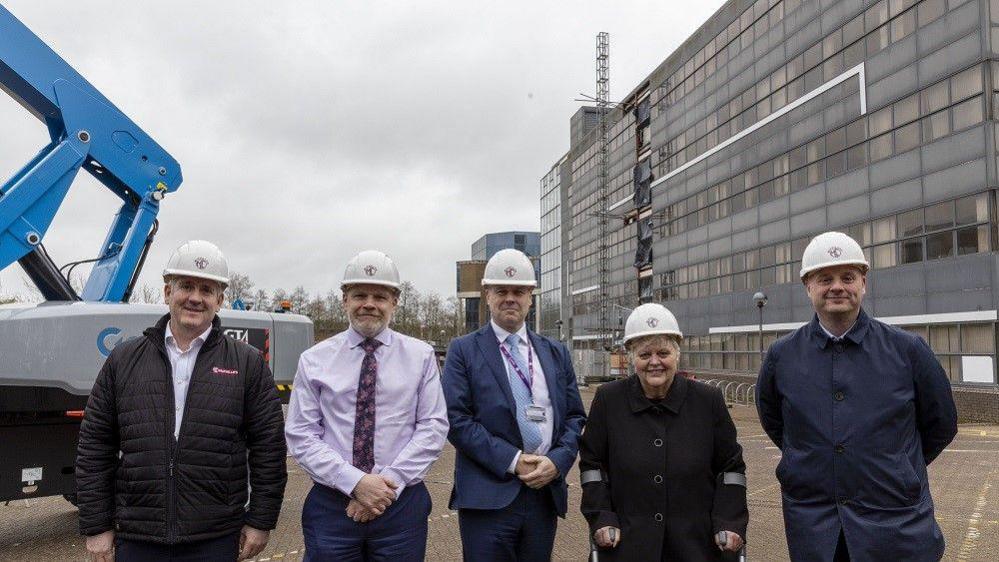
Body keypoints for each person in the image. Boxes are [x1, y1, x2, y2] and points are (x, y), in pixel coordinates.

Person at [76, 240, 287, 562]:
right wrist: (96, 525)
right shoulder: (124, 359)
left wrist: (260, 521)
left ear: (220, 299)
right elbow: (95, 446)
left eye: (206, 289)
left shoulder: (247, 363)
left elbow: (268, 449)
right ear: (166, 292)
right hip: (137, 536)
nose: (195, 297)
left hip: (215, 538)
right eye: (185, 286)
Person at [757, 231, 958, 561]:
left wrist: (897, 466)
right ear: (808, 286)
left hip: (896, 526)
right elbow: (776, 422)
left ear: (863, 283)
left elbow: (942, 424)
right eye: (825, 278)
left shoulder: (908, 350)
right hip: (816, 529)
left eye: (847, 277)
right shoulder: (782, 356)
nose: (837, 286)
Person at [286, 250, 448, 562]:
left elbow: (433, 428)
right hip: (332, 506)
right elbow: (301, 434)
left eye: (380, 296)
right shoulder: (314, 360)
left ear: (395, 302)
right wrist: (355, 482)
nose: (369, 303)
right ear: (344, 299)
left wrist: (384, 488)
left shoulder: (421, 357)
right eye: (359, 294)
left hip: (400, 507)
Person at [442, 248, 586, 561]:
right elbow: (456, 419)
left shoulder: (555, 352)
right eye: (501, 291)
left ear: (530, 297)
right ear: (487, 295)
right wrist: (513, 460)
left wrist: (557, 461)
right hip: (488, 496)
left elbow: (575, 417)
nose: (510, 298)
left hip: (543, 493)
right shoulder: (463, 350)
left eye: (518, 291)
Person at [579, 303, 748, 561]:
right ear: (631, 357)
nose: (655, 362)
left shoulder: (708, 400)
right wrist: (601, 517)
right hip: (627, 543)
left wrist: (729, 521)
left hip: (696, 545)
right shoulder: (607, 400)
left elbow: (731, 468)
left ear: (677, 355)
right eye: (645, 355)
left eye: (663, 353)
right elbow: (592, 466)